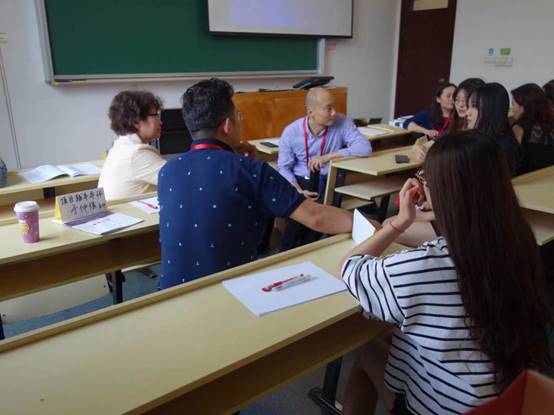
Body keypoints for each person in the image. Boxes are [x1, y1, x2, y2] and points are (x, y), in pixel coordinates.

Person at [340, 131, 552, 415]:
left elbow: (351, 268)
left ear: (443, 191)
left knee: (369, 351)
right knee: (395, 341)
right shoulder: (518, 239)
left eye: (425, 178)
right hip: (505, 395)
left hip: (445, 407)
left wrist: (399, 222)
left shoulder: (428, 264)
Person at [157, 79, 353, 289]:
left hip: (169, 294)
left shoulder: (167, 171)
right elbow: (317, 217)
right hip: (230, 293)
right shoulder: (250, 170)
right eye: (238, 116)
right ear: (227, 125)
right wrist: (370, 224)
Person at [277, 87, 371, 251]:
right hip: (300, 181)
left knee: (321, 221)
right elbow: (283, 168)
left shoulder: (341, 122)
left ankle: (312, 247)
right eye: (328, 108)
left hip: (328, 179)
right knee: (297, 217)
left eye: (334, 106)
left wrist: (327, 157)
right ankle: (287, 251)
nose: (334, 112)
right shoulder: (291, 132)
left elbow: (364, 148)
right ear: (311, 112)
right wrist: (297, 190)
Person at [98, 91, 166, 201]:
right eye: (155, 115)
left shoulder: (122, 146)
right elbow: (182, 178)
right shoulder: (137, 154)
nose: (161, 122)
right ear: (136, 121)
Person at [466, 82, 521, 176]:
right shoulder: (480, 139)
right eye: (468, 106)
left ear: (490, 108)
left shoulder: (502, 147)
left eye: (474, 106)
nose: (467, 113)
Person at [407, 82, 456, 162]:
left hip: (447, 155)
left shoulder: (459, 117)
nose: (452, 100)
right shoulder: (430, 112)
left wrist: (419, 146)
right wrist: (426, 131)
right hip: (430, 153)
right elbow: (408, 123)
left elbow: (444, 136)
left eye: (454, 96)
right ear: (438, 99)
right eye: (448, 96)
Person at [511, 83, 554, 173]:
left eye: (513, 104)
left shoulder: (518, 128)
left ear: (523, 107)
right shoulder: (550, 122)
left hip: (529, 177)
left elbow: (514, 160)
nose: (512, 109)